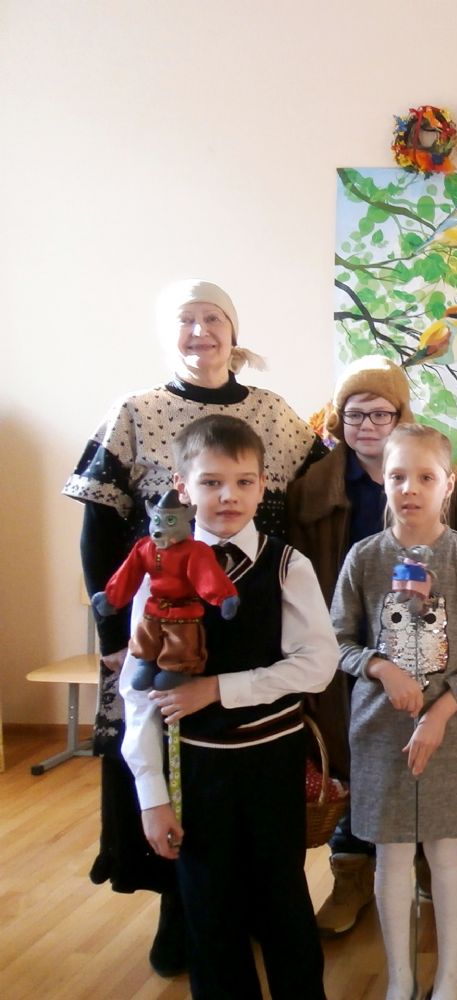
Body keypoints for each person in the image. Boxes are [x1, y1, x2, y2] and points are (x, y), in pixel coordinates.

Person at [63, 279, 325, 976]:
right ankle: (181, 913)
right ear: (183, 489)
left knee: (278, 890)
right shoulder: (136, 410)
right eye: (187, 319)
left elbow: (321, 482)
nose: (201, 331)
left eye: (214, 318)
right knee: (197, 866)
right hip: (170, 646)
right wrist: (114, 635)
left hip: (264, 701)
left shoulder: (272, 416)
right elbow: (98, 528)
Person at [121, 415, 337, 1000]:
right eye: (211, 482)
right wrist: (152, 797)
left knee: (283, 903)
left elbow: (317, 665)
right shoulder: (157, 568)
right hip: (196, 768)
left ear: (264, 486)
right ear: (182, 486)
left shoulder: (288, 566)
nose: (228, 496)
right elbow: (138, 694)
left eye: (243, 482)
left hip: (272, 762)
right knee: (209, 912)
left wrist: (217, 688)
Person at [287, 355, 457, 935]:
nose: (368, 424)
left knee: (422, 758)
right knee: (356, 758)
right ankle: (352, 872)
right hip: (348, 649)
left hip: (429, 651)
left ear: (401, 416)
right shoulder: (316, 489)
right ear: (339, 419)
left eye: (382, 413)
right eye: (355, 413)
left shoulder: (436, 482)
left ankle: (426, 864)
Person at [331, 424, 457, 1000]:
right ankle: (400, 979)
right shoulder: (364, 557)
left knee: (445, 851)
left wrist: (443, 710)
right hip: (378, 729)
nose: (410, 488)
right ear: (383, 480)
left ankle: (448, 974)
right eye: (398, 476)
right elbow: (340, 641)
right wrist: (382, 668)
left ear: (448, 484)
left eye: (425, 477)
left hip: (447, 728)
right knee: (392, 854)